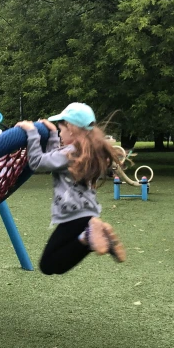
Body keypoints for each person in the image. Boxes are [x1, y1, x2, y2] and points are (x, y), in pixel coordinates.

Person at [15, 103, 126, 275]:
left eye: (61, 129)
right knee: (60, 257)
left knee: (49, 265)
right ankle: (96, 237)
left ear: (71, 128)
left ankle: (88, 237)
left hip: (73, 215)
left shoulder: (68, 153)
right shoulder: (82, 151)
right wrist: (52, 134)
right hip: (87, 213)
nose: (60, 133)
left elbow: (37, 162)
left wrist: (31, 132)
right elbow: (54, 160)